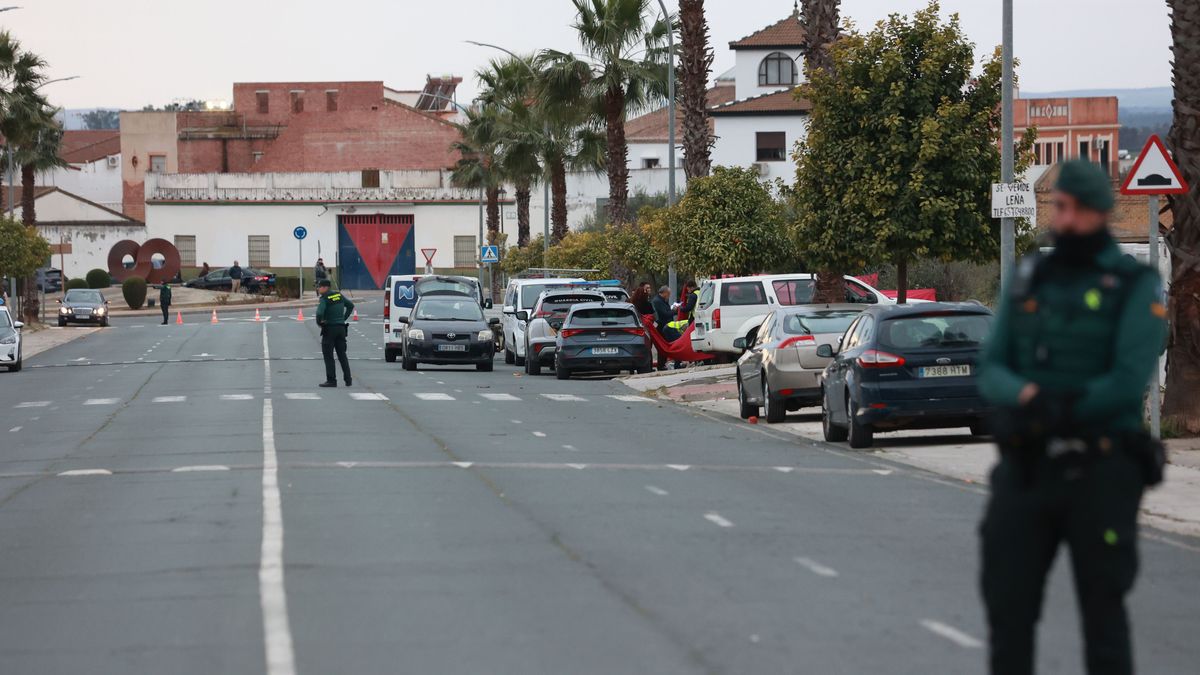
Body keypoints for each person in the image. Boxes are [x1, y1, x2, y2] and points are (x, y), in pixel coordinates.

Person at [977, 160, 1167, 675]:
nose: (1062, 219)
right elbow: (992, 366)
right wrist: (1030, 397)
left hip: (1101, 471)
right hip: (1028, 468)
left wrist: (1060, 406)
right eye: (1058, 206)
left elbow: (1127, 380)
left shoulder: (1134, 285)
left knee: (1104, 619)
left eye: (1073, 209)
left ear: (1099, 212)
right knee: (1008, 613)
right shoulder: (1027, 279)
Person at [315, 279, 354, 387]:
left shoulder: (325, 298)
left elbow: (319, 313)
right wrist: (343, 318)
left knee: (328, 355)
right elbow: (350, 305)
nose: (318, 289)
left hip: (330, 329)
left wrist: (320, 322)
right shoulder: (338, 295)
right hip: (341, 329)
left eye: (319, 287)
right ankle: (348, 380)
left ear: (325, 287)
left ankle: (331, 380)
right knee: (342, 355)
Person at [651, 286, 678, 371]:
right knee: (663, 346)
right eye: (668, 294)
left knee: (667, 345)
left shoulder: (662, 301)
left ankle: (665, 364)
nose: (669, 296)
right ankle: (661, 364)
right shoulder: (657, 301)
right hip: (662, 327)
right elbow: (664, 314)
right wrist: (674, 311)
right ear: (664, 293)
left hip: (666, 326)